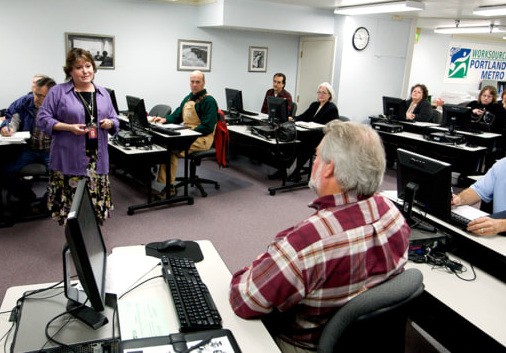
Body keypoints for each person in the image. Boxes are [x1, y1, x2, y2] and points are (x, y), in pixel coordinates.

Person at [230, 120, 410, 352]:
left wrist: (255, 265)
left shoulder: (309, 241)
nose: (313, 162)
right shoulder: (393, 213)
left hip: (303, 344)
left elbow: (244, 301)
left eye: (316, 156)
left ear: (329, 168)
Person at [37, 48, 119, 225]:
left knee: (94, 204)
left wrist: (110, 123)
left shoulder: (103, 93)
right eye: (78, 67)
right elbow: (43, 119)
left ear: (94, 68)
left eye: (88, 66)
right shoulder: (58, 92)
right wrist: (68, 127)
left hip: (97, 157)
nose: (85, 71)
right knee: (72, 207)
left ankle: (91, 240)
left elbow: (114, 118)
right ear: (70, 71)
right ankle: (75, 241)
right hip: (69, 156)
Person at [150, 70, 218, 199]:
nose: (194, 85)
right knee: (167, 148)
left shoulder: (208, 101)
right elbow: (176, 115)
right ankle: (169, 186)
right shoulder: (188, 98)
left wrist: (188, 133)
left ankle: (169, 189)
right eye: (192, 82)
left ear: (203, 83)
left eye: (198, 82)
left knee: (172, 150)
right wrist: (164, 120)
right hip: (188, 134)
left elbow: (208, 127)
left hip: (202, 138)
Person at [0, 77, 56, 203]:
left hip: (51, 151)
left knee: (66, 174)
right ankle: (26, 195)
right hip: (29, 150)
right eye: (36, 94)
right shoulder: (25, 102)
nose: (36, 99)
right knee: (6, 171)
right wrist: (8, 128)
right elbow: (11, 117)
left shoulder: (61, 107)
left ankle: (50, 198)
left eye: (42, 96)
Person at [287, 82, 339, 182]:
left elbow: (331, 128)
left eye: (324, 93)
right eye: (319, 92)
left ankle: (297, 172)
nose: (320, 95)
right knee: (293, 140)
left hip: (321, 138)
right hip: (309, 134)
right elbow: (304, 116)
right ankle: (284, 169)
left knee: (304, 144)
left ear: (330, 95)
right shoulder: (314, 105)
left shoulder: (332, 108)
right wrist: (293, 118)